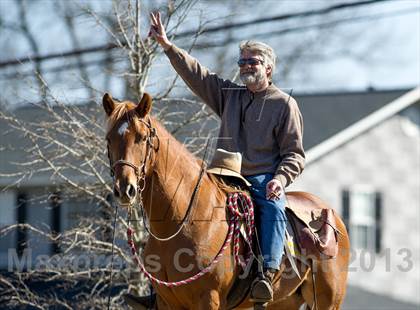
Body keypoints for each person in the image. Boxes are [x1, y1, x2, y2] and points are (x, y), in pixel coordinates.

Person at [149, 12, 305, 303]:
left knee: (273, 206)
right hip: (222, 174)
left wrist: (280, 180)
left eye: (252, 61)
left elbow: (294, 154)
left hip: (262, 178)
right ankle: (159, 288)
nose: (246, 66)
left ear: (268, 67)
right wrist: (168, 46)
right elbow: (198, 74)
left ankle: (266, 275)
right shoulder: (229, 95)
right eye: (242, 61)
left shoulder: (285, 104)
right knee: (176, 207)